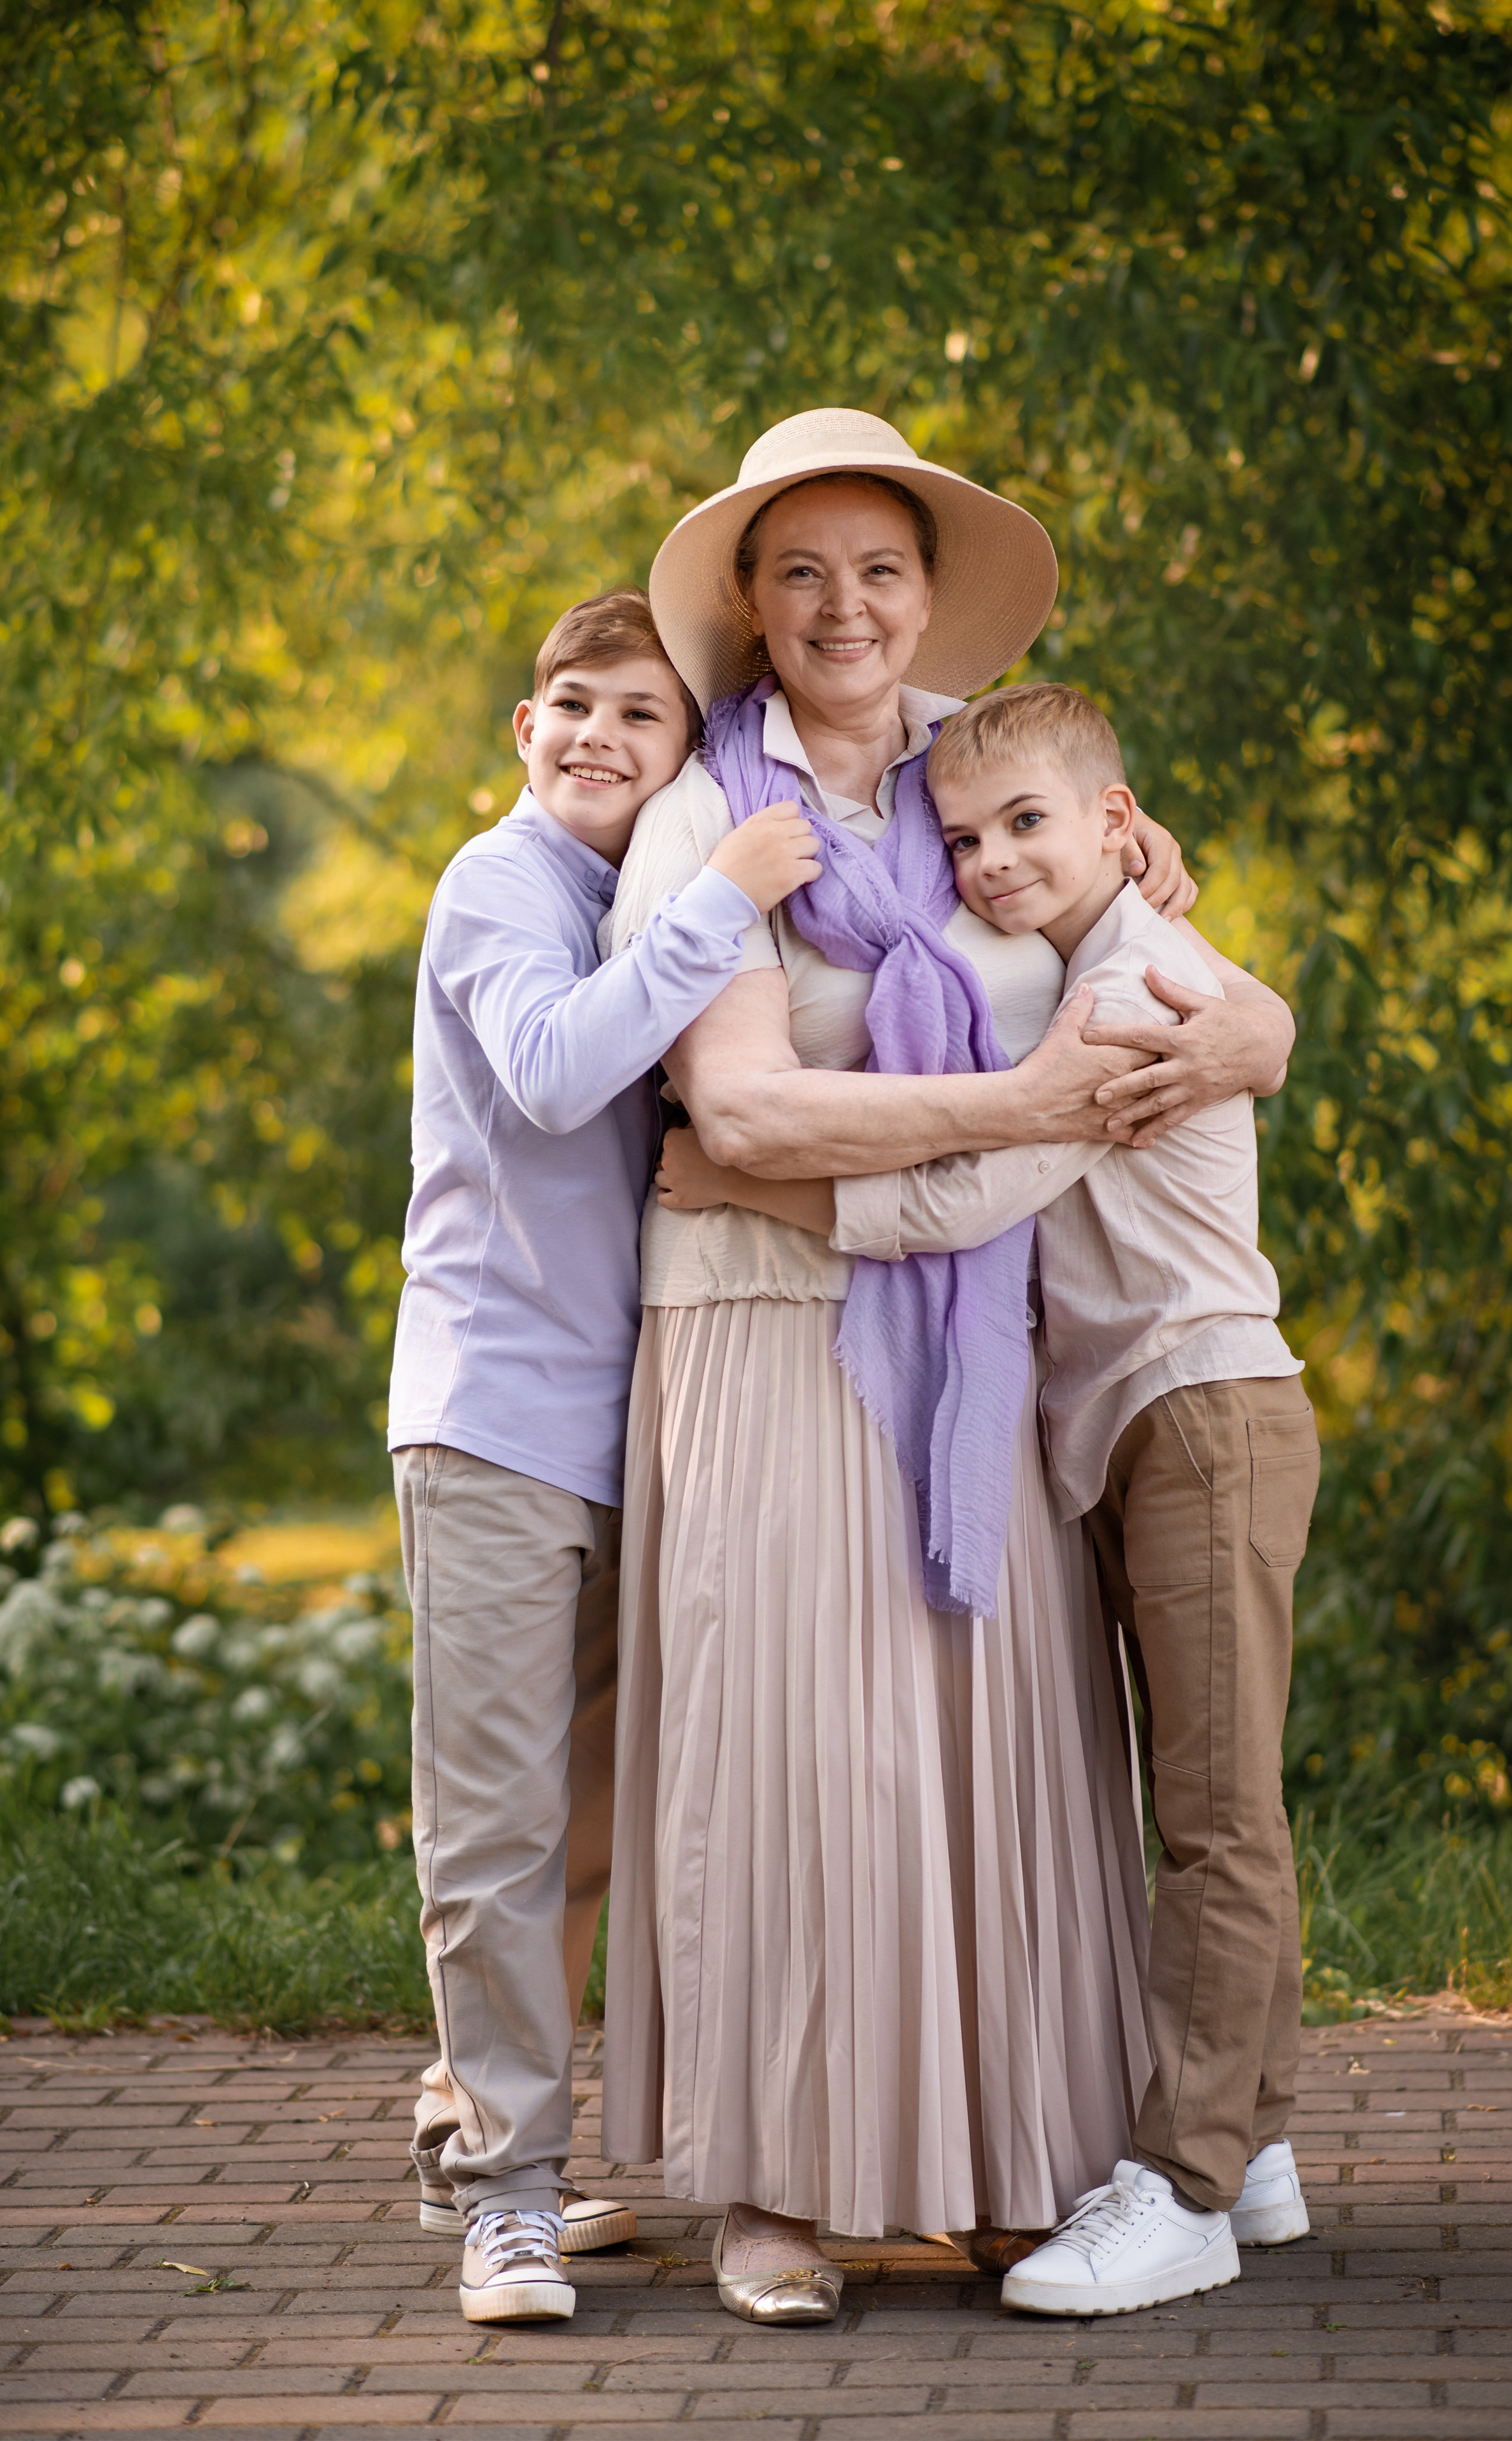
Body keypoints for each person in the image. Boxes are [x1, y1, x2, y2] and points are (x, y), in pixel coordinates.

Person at [600, 409, 1297, 2324]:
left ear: (929, 596)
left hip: (985, 1328)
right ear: (748, 598)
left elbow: (1184, 970)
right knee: (792, 1752)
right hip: (758, 1317)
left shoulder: (980, 777)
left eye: (881, 568)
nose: (846, 605)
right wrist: (1026, 1097)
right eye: (802, 568)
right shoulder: (707, 817)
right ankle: (773, 2189)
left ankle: (1003, 2163)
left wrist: (1256, 1036)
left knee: (993, 1760)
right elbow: (737, 1105)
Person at [386, 589, 821, 2326]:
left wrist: (1122, 830)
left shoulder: (635, 887)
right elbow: (562, 1073)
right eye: (573, 703)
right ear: (523, 723)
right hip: (493, 1416)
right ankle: (505, 2195)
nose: (598, 736)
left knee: (586, 1831)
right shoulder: (499, 885)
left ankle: (471, 2137)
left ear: (684, 753)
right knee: (492, 1824)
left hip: (639, 1423)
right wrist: (725, 898)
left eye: (643, 719)